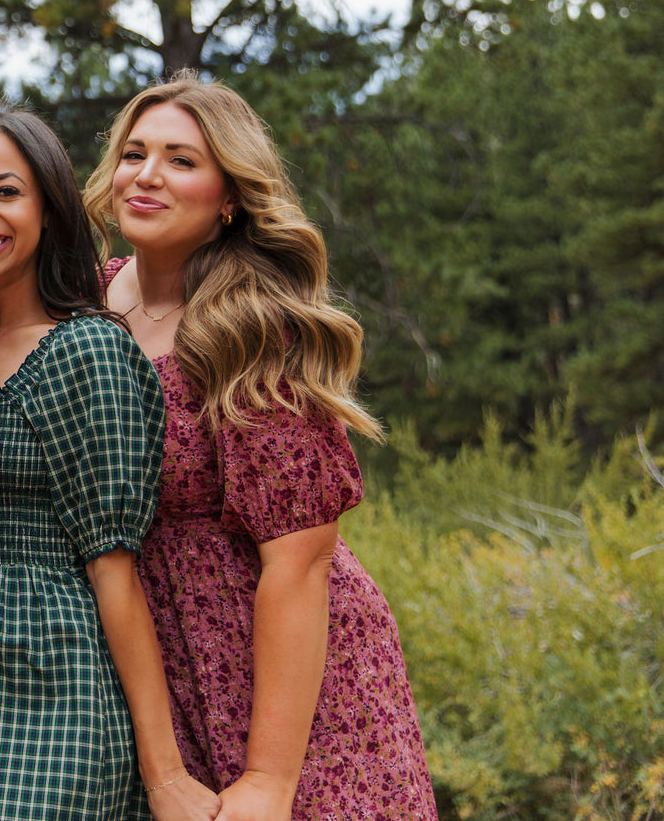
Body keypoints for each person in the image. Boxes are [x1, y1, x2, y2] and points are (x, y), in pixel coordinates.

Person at [84, 71, 439, 820]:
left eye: (181, 160)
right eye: (134, 153)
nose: (146, 175)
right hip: (152, 667)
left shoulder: (253, 332)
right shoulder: (89, 302)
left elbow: (299, 562)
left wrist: (270, 778)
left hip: (280, 680)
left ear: (230, 196)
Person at [0, 109, 220, 821]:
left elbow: (114, 568)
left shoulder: (86, 350)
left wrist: (164, 771)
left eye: (5, 191)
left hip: (49, 683)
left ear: (49, 210)